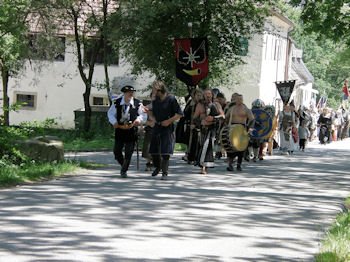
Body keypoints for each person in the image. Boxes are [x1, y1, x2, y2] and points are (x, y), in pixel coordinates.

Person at [107, 85, 147, 178]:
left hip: (131, 130)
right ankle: (124, 165)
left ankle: (124, 170)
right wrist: (114, 122)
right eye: (129, 92)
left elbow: (143, 115)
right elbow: (110, 114)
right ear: (124, 93)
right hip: (120, 130)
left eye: (132, 92)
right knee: (117, 151)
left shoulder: (138, 103)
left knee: (129, 152)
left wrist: (138, 120)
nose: (131, 94)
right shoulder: (116, 103)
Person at [147, 81, 183, 180]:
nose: (153, 92)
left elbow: (179, 114)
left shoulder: (171, 99)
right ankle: (158, 167)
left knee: (165, 151)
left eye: (154, 90)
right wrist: (150, 115)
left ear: (160, 90)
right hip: (157, 127)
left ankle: (165, 172)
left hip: (167, 127)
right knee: (153, 150)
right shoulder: (155, 101)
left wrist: (168, 121)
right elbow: (152, 115)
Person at [194, 89, 225, 174]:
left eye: (209, 94)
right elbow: (195, 118)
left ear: (212, 95)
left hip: (212, 129)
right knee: (203, 146)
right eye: (206, 94)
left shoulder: (217, 104)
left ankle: (204, 166)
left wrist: (214, 118)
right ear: (204, 95)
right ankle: (203, 166)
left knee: (208, 147)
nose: (207, 95)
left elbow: (223, 116)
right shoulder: (200, 105)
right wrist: (201, 121)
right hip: (203, 129)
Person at [225, 94, 254, 171]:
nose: (239, 100)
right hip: (232, 128)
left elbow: (252, 119)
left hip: (242, 128)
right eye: (238, 99)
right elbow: (226, 117)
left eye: (241, 99)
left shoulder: (245, 109)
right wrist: (226, 126)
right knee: (231, 146)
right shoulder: (231, 109)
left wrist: (250, 127)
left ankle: (239, 164)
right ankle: (230, 164)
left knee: (241, 147)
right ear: (235, 100)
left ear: (242, 100)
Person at [141, 89, 157, 171]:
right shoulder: (146, 108)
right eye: (153, 96)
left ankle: (156, 162)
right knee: (147, 147)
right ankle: (148, 164)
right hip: (149, 129)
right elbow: (142, 119)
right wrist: (148, 123)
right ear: (151, 97)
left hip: (159, 130)